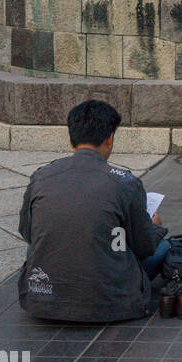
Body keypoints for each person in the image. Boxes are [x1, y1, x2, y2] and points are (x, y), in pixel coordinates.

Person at [18, 100, 170, 322]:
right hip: (111, 303)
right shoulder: (125, 182)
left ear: (72, 141)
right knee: (162, 245)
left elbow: (28, 233)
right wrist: (154, 228)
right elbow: (145, 246)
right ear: (109, 139)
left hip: (41, 303)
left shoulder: (41, 176)